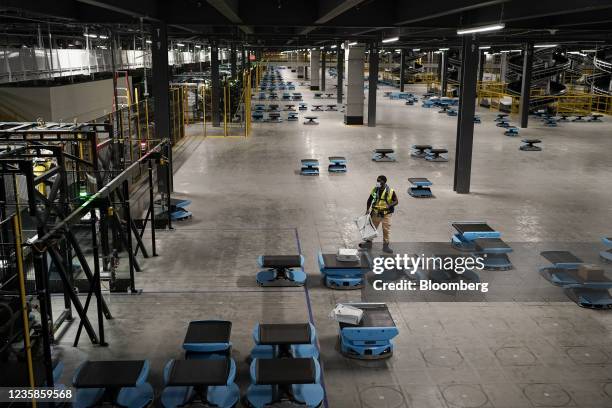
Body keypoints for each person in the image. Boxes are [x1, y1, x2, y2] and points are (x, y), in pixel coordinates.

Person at [359, 175, 398, 253]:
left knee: (386, 230)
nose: (377, 182)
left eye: (379, 181)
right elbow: (369, 199)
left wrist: (389, 205)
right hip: (376, 213)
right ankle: (368, 243)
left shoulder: (391, 191)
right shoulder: (375, 190)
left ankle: (385, 246)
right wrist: (367, 210)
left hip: (386, 214)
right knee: (371, 228)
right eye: (377, 180)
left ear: (384, 181)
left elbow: (396, 201)